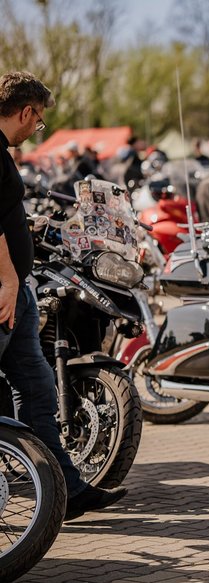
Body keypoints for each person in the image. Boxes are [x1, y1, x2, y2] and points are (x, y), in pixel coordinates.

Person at [0, 70, 127, 521]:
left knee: (36, 389)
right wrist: (11, 282)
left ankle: (62, 488)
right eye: (38, 122)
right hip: (5, 291)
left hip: (18, 290)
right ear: (27, 110)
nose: (37, 131)